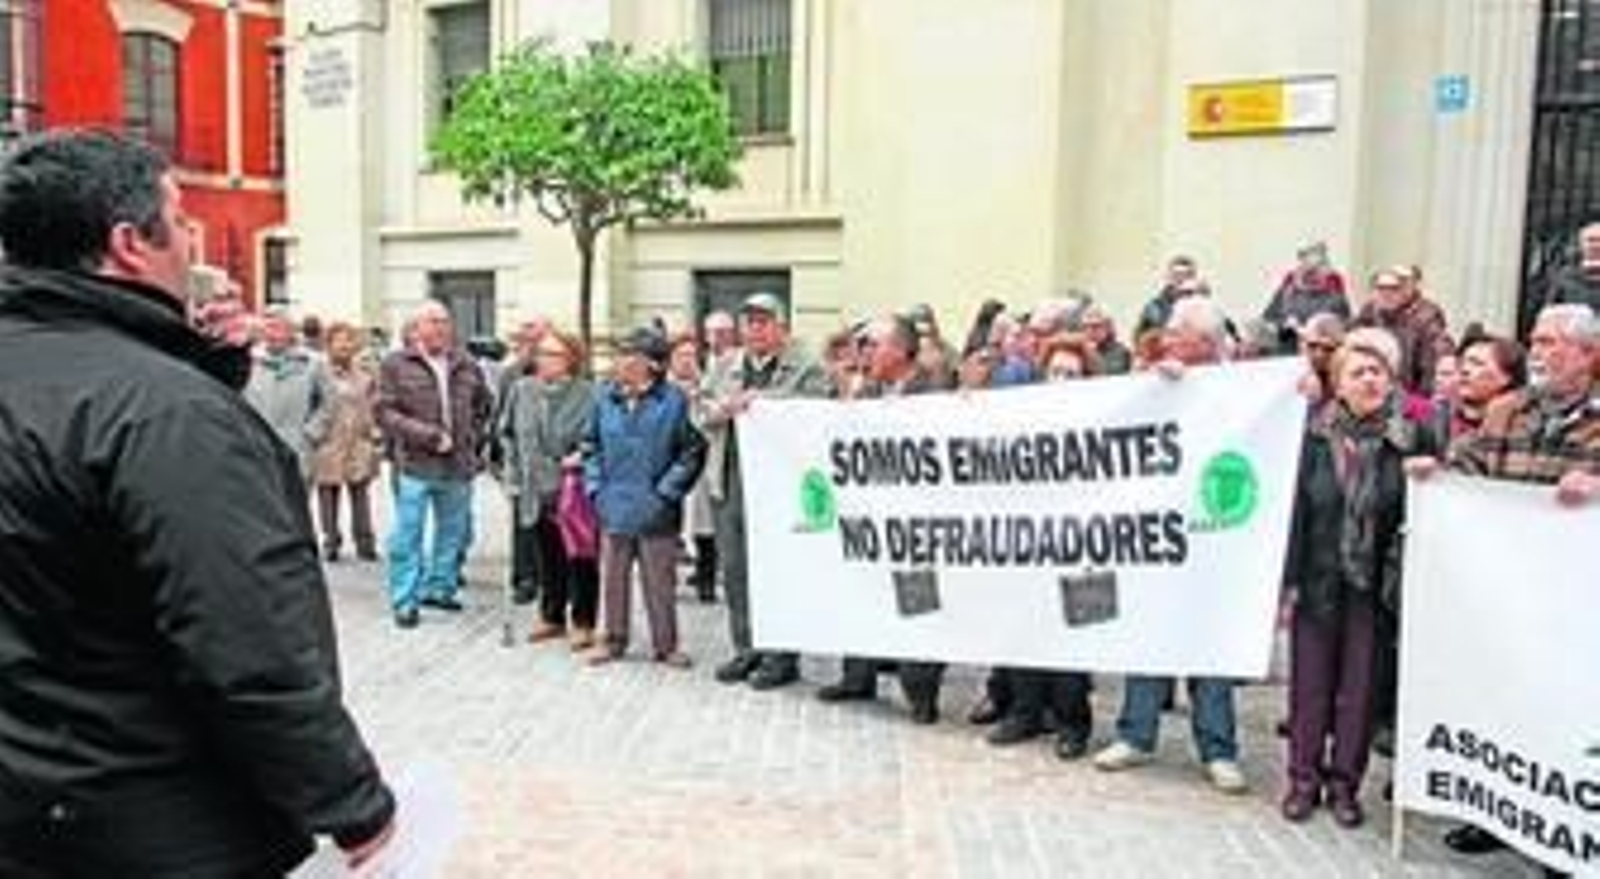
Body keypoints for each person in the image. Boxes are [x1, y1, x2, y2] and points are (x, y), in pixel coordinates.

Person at [0, 129, 394, 876]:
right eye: (179, 220)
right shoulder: (167, 412)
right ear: (128, 243)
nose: (190, 239)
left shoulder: (143, 392)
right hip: (157, 822)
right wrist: (353, 801)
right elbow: (246, 640)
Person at [1410, 303, 1600, 870]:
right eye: (1535, 341)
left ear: (1589, 355)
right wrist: (1436, 475)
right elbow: (1470, 469)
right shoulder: (1507, 411)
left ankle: (1564, 832)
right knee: (1507, 702)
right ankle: (1500, 816)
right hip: (1511, 600)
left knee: (1567, 715)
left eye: (1551, 343)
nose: (1537, 351)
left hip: (1576, 607)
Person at [1093, 296, 1248, 794]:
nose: (1167, 338)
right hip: (1157, 534)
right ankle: (1136, 734)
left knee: (1210, 643)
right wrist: (1152, 385)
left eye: (1177, 332)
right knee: (1150, 631)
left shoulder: (1246, 386)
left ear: (1204, 341)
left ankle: (1218, 749)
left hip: (1217, 534)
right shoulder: (1155, 378)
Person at [1280, 328, 1422, 828]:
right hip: (1317, 581)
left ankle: (1344, 785)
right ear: (1337, 384)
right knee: (1309, 688)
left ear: (1391, 381)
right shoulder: (1312, 439)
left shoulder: (1407, 443)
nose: (1369, 379)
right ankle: (1302, 780)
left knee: (1359, 693)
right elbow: (1296, 513)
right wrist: (1287, 584)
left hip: (1372, 589)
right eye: (1357, 372)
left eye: (1377, 372)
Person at [814, 314, 948, 724]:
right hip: (869, 518)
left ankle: (921, 692)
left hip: (918, 521)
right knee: (861, 592)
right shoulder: (865, 390)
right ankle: (859, 676)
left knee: (917, 601)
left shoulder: (937, 391)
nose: (863, 353)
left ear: (901, 350)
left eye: (872, 345)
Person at [703, 292, 833, 690]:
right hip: (728, 478)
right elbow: (699, 408)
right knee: (736, 570)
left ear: (782, 327)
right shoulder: (725, 364)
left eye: (763, 322)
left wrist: (765, 401)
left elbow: (819, 405)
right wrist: (719, 409)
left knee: (777, 570)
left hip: (778, 486)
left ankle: (782, 656)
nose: (755, 330)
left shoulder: (807, 366)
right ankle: (747, 649)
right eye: (749, 323)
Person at [583, 328, 707, 668]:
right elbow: (589, 446)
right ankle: (612, 640)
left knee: (660, 584)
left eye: (628, 355)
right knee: (613, 581)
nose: (620, 362)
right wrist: (595, 489)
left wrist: (666, 493)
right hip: (614, 506)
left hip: (657, 511)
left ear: (650, 364)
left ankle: (666, 645)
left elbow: (692, 452)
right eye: (619, 355)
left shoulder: (675, 400)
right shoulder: (603, 397)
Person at [378, 300, 493, 628]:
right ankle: (405, 600)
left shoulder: (466, 363)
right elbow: (384, 412)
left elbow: (484, 404)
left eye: (445, 321)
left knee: (453, 532)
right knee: (407, 534)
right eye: (433, 321)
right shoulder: (395, 364)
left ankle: (440, 589)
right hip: (415, 464)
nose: (441, 327)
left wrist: (474, 437)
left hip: (458, 465)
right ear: (415, 329)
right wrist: (427, 435)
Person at [499, 329, 599, 642]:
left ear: (571, 359)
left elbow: (595, 438)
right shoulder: (522, 389)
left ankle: (583, 620)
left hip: (572, 488)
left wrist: (578, 456)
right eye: (541, 353)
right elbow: (507, 433)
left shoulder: (590, 394)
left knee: (580, 557)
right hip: (532, 486)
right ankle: (551, 615)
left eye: (552, 354)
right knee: (547, 555)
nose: (543, 360)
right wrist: (512, 475)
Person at [313, 322, 383, 562]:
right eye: (339, 340)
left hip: (358, 441)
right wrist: (314, 434)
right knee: (328, 493)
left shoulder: (365, 374)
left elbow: (374, 405)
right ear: (329, 344)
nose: (345, 345)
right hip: (329, 441)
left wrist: (374, 433)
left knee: (360, 493)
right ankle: (331, 541)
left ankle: (365, 542)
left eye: (349, 340)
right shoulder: (318, 371)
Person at [244, 309, 332, 483]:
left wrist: (310, 434)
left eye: (280, 328)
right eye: (269, 328)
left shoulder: (313, 362)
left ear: (292, 331)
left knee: (296, 504)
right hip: (257, 446)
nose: (273, 334)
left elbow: (329, 402)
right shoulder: (248, 360)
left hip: (297, 446)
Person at [668, 332, 720, 602]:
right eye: (681, 356)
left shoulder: (708, 384)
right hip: (671, 464)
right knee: (668, 524)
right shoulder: (662, 389)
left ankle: (706, 581)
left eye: (691, 355)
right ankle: (666, 583)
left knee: (704, 525)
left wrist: (700, 397)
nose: (687, 361)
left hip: (702, 462)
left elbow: (714, 417)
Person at [1355, 266, 1452, 398]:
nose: (1386, 294)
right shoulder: (1367, 314)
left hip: (1408, 394)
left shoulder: (1425, 318)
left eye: (1393, 289)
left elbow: (1436, 359)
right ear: (1373, 291)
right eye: (1381, 288)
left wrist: (1420, 399)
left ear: (1404, 292)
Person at [1261, 241, 1351, 352]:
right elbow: (1267, 319)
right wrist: (1283, 324)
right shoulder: (1287, 291)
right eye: (1304, 269)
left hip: (1316, 354)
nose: (1308, 276)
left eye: (1313, 271)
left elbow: (1343, 332)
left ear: (1325, 270)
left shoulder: (1336, 299)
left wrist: (1310, 331)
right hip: (1283, 349)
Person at [1135, 254, 1205, 338]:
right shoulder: (1155, 308)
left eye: (1187, 275)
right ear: (1169, 278)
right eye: (1177, 275)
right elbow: (1141, 339)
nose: (1181, 280)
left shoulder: (1205, 306)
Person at [1542, 220, 1600, 313]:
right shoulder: (1563, 277)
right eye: (1591, 240)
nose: (1596, 245)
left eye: (1599, 240)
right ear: (1581, 244)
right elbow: (1550, 313)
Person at [1080, 303, 1132, 375]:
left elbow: (1109, 376)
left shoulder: (1120, 351)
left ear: (1108, 327)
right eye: (1085, 327)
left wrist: (1091, 353)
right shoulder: (1080, 349)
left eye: (1095, 326)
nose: (1089, 331)